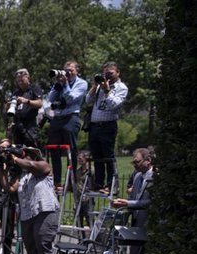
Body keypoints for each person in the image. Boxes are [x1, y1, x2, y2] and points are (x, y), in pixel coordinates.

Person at [5, 144, 60, 254]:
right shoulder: (22, 175)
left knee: (42, 244)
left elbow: (31, 165)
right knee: (30, 244)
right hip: (27, 215)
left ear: (35, 156)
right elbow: (10, 188)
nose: (24, 156)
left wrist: (16, 159)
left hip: (45, 211)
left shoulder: (44, 166)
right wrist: (1, 168)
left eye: (27, 154)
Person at [86, 61, 128, 193]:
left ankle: (111, 185)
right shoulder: (99, 86)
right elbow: (87, 100)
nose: (107, 76)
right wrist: (95, 85)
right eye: (105, 73)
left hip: (108, 126)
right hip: (94, 126)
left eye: (110, 73)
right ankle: (99, 183)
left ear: (118, 72)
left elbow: (114, 105)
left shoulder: (122, 87)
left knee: (108, 157)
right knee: (97, 156)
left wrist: (107, 91)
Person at [46, 60, 88, 190]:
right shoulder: (60, 82)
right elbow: (50, 98)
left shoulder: (82, 83)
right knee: (54, 149)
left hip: (71, 117)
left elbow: (70, 98)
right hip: (57, 118)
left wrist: (65, 84)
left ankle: (72, 180)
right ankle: (57, 181)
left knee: (71, 149)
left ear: (77, 71)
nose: (68, 72)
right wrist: (58, 84)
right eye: (66, 70)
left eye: (71, 70)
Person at [112, 148, 154, 229]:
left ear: (148, 160)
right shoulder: (137, 176)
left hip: (150, 226)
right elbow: (132, 198)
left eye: (137, 162)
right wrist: (121, 204)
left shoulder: (156, 177)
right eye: (133, 162)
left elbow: (153, 203)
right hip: (135, 224)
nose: (135, 165)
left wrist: (128, 203)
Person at [9, 69, 43, 147]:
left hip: (29, 126)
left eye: (22, 78)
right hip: (17, 125)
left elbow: (39, 103)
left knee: (31, 149)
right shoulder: (15, 93)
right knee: (18, 151)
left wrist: (26, 101)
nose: (20, 80)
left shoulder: (34, 88)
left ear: (28, 77)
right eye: (18, 79)